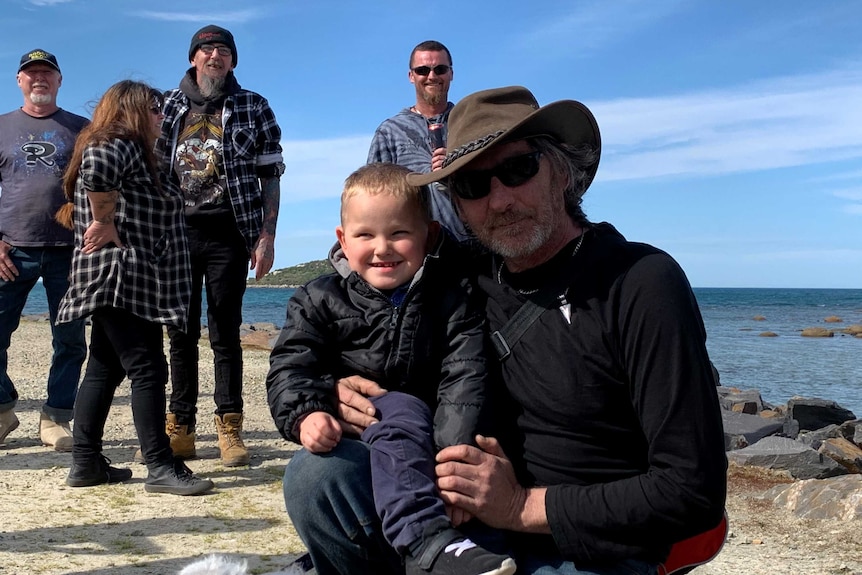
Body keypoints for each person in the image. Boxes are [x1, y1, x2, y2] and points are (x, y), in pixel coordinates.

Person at [282, 86, 728, 574]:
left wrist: (519, 505)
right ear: (456, 203)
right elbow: (363, 314)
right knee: (317, 476)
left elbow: (691, 490)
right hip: (452, 522)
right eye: (472, 185)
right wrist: (335, 390)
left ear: (562, 171)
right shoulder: (458, 274)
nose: (498, 199)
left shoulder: (639, 282)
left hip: (580, 548)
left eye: (518, 170)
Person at [267, 162, 515, 575]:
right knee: (393, 408)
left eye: (399, 233)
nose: (382, 248)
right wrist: (306, 412)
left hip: (435, 441)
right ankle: (423, 539)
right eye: (365, 235)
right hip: (363, 442)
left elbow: (465, 378)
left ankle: (431, 544)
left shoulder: (451, 297)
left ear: (429, 235)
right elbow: (291, 364)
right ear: (343, 241)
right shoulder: (317, 298)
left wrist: (451, 462)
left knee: (405, 408)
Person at [57, 80, 213, 496]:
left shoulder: (133, 148)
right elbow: (97, 164)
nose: (162, 116)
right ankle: (160, 466)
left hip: (126, 276)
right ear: (132, 110)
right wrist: (104, 220)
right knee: (148, 368)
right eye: (155, 109)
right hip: (121, 276)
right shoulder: (117, 140)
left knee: (104, 367)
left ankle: (86, 462)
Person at [154, 24, 285, 467]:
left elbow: (270, 175)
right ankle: (181, 425)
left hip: (230, 233)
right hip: (175, 233)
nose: (216, 56)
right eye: (207, 49)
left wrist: (266, 236)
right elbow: (150, 169)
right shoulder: (167, 105)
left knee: (226, 335)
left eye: (224, 50)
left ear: (232, 61)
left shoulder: (254, 106)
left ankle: (230, 425)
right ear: (193, 57)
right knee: (180, 332)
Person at [0, 49, 88, 450]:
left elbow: (97, 184)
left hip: (69, 250)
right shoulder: (1, 127)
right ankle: (2, 410)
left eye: (46, 73)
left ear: (59, 80)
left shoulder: (80, 128)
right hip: (11, 248)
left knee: (69, 340)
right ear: (19, 80)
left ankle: (55, 418)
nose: (39, 79)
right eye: (31, 73)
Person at [367, 40, 471, 243]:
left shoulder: (469, 121)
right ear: (411, 76)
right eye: (423, 70)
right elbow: (374, 197)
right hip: (419, 251)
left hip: (477, 250)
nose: (432, 76)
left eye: (440, 69)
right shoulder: (389, 133)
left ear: (451, 74)